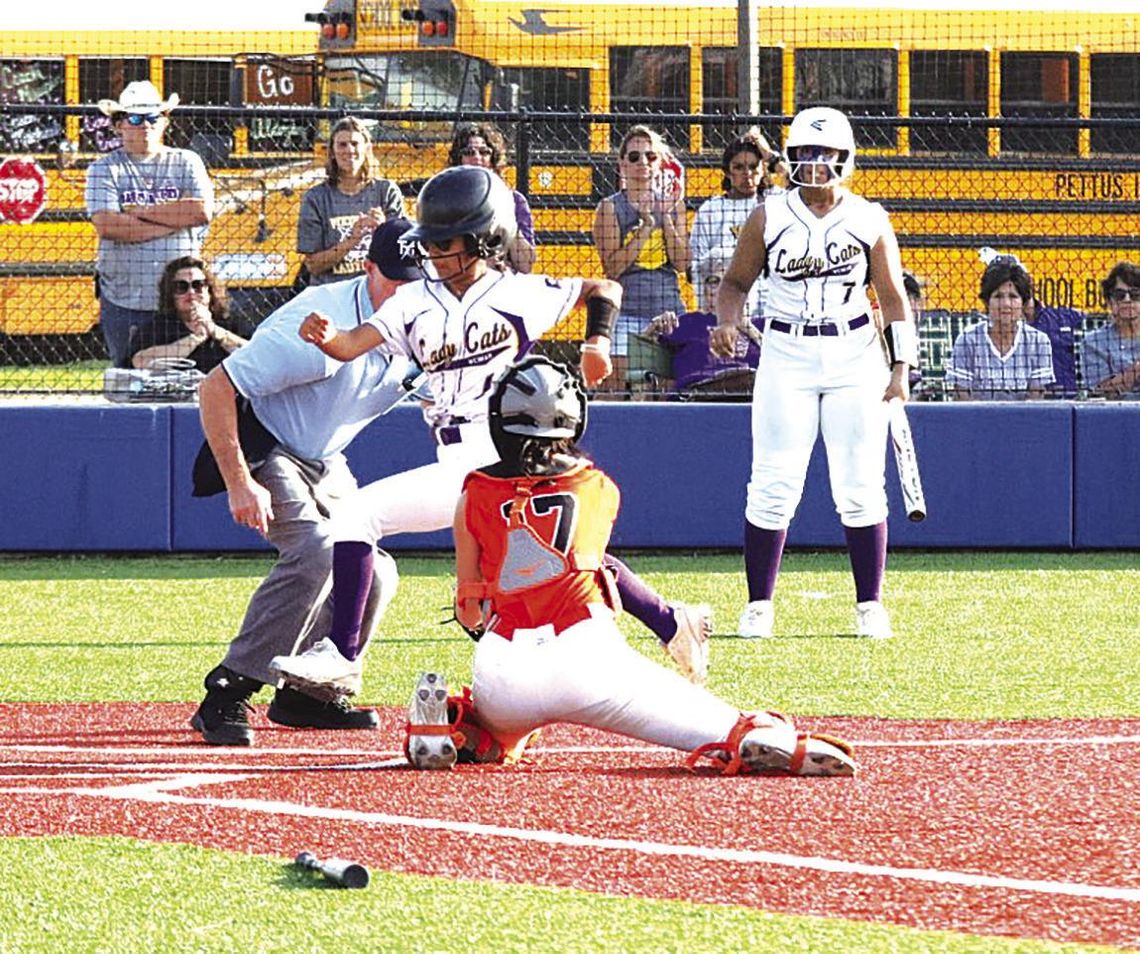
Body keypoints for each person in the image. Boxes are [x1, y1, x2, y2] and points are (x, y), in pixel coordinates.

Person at [269, 165, 711, 696]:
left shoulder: (517, 293)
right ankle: (670, 620)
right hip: (454, 459)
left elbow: (604, 286)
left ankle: (341, 654)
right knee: (556, 558)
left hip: (503, 448)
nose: (431, 253)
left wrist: (595, 343)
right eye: (428, 241)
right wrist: (327, 337)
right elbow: (349, 346)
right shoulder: (414, 301)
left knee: (357, 515)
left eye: (444, 241)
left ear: (483, 238)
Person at [401, 355, 856, 778]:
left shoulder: (473, 493)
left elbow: (469, 610)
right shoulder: (597, 486)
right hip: (585, 653)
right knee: (726, 728)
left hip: (504, 665)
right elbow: (586, 560)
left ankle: (460, 729)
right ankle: (757, 737)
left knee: (495, 733)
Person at [188, 219, 424, 747]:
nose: (406, 293)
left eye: (419, 279)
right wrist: (240, 481)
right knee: (319, 551)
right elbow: (216, 386)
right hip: (268, 444)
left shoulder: (426, 323)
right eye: (396, 279)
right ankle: (227, 690)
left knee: (375, 568)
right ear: (368, 270)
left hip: (325, 457)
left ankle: (309, 693)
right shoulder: (319, 329)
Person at [711, 107, 918, 641]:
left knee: (860, 483)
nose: (815, 164)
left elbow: (893, 300)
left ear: (844, 159)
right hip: (786, 349)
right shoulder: (768, 216)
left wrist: (901, 366)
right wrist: (727, 323)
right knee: (774, 481)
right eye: (804, 154)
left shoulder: (869, 218)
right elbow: (734, 283)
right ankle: (759, 605)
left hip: (854, 351)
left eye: (824, 155)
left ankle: (870, 603)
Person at [86, 80, 215, 368]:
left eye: (152, 118)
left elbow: (200, 211)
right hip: (125, 298)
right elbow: (108, 225)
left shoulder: (187, 162)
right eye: (134, 118)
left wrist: (138, 212)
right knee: (128, 373)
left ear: (164, 122)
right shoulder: (103, 169)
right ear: (118, 124)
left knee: (190, 375)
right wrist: (173, 221)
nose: (144, 125)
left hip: (182, 299)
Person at [592, 125, 689, 388]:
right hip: (627, 312)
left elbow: (682, 264)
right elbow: (612, 269)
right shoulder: (610, 207)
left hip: (669, 309)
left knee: (672, 394)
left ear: (660, 163)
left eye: (650, 156)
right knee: (615, 390)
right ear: (622, 164)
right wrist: (645, 226)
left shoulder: (673, 204)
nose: (642, 162)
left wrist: (665, 217)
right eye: (634, 157)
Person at [296, 117, 406, 286]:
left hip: (375, 290)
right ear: (332, 151)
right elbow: (313, 265)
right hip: (331, 292)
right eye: (342, 144)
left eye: (355, 144)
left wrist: (384, 229)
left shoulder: (386, 192)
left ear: (367, 148)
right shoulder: (316, 198)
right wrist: (352, 240)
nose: (349, 150)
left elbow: (402, 253)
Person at [641, 246, 762, 397]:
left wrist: (750, 330)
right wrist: (654, 328)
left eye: (730, 283)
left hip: (750, 400)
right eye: (714, 281)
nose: (723, 289)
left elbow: (782, 360)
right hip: (695, 399)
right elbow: (640, 354)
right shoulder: (688, 322)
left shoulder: (761, 326)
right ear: (703, 288)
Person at [689, 129, 782, 323]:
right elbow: (696, 266)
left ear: (763, 169)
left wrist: (771, 156)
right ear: (728, 172)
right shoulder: (711, 210)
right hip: (726, 305)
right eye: (739, 167)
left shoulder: (777, 201)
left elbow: (803, 184)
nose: (747, 173)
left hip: (772, 305)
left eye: (754, 166)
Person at [945, 258, 1054, 400]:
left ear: (1024, 302)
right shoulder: (967, 340)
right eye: (998, 296)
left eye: (1013, 296)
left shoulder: (1039, 341)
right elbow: (961, 394)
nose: (1006, 304)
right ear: (986, 302)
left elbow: (1036, 396)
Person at [128, 256, 252, 373]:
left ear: (209, 291)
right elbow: (139, 361)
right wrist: (195, 339)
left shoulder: (230, 322)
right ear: (171, 294)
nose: (191, 292)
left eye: (198, 285)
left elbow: (255, 356)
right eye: (181, 287)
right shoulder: (159, 326)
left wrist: (215, 331)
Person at [448, 122, 535, 273]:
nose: (477, 158)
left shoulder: (514, 200)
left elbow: (525, 265)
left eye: (484, 152)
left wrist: (507, 214)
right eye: (469, 153)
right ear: (458, 159)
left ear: (493, 159)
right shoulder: (446, 200)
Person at [1080, 261, 1140, 398]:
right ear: (1109, 302)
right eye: (1120, 295)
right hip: (1113, 415)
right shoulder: (1093, 342)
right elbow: (1100, 393)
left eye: (1135, 295)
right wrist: (1136, 369)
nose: (1127, 300)